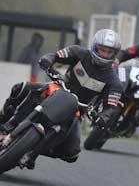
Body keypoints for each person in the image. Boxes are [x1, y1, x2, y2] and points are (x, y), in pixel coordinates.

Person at [0, 29, 124, 169]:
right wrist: (48, 60)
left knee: (71, 153)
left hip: (78, 108)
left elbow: (110, 107)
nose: (105, 54)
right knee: (20, 88)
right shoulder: (78, 52)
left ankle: (33, 153)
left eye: (109, 52)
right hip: (57, 88)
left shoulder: (114, 82)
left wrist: (102, 117)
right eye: (102, 50)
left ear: (115, 54)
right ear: (94, 47)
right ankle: (6, 123)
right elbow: (55, 56)